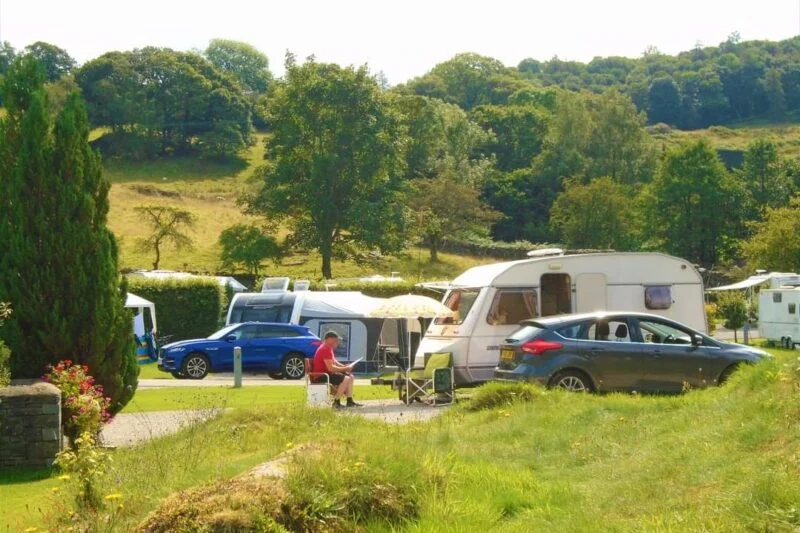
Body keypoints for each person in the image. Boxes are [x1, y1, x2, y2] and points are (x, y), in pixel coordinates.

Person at [312, 331, 363, 409]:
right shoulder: (325, 349)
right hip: (321, 376)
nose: (337, 342)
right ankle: (336, 402)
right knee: (346, 379)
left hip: (326, 374)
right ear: (329, 339)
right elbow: (331, 368)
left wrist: (344, 367)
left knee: (350, 376)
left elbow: (334, 362)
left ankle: (349, 400)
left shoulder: (328, 348)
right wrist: (345, 368)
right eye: (335, 340)